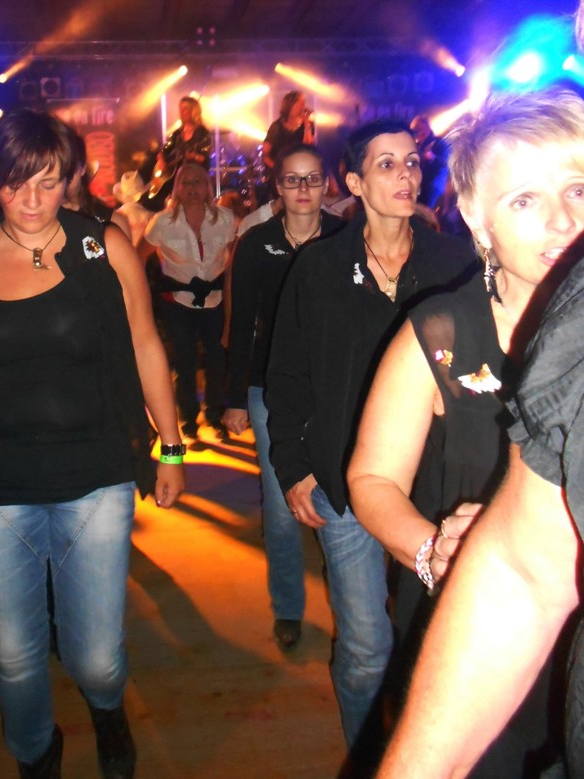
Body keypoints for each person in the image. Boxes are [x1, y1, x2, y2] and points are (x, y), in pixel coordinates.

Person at [0, 109, 185, 779]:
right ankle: (36, 753)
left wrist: (172, 446)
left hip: (94, 477)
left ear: (68, 179)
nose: (32, 201)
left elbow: (146, 344)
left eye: (47, 182)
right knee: (14, 654)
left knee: (95, 654)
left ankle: (106, 707)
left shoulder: (104, 248)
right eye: (16, 184)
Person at [348, 88, 584, 776]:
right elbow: (371, 478)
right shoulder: (441, 331)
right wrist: (432, 552)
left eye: (577, 189)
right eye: (524, 200)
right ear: (477, 220)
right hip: (478, 636)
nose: (563, 220)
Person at [264, 119, 475, 756]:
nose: (406, 175)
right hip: (346, 478)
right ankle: (368, 755)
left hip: (437, 483)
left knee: (436, 635)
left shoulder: (453, 263)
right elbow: (287, 375)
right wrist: (293, 465)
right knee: (364, 647)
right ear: (353, 183)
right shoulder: (319, 267)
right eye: (386, 164)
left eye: (411, 162)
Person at [223, 145, 344, 650]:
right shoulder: (257, 243)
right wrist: (233, 397)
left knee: (344, 500)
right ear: (278, 186)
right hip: (269, 387)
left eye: (312, 179)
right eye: (292, 180)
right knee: (280, 505)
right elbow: (241, 325)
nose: (303, 189)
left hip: (334, 388)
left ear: (327, 184)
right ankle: (288, 607)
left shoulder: (346, 238)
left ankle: (352, 606)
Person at [139, 162, 236, 442]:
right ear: (177, 188)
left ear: (207, 187)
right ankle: (188, 418)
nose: (192, 187)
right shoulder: (162, 222)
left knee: (217, 357)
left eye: (198, 181)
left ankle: (214, 414)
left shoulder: (225, 219)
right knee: (185, 360)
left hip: (215, 300)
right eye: (186, 182)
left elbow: (234, 259)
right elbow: (138, 255)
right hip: (176, 301)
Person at [139, 96, 212, 213]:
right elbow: (163, 150)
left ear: (194, 111)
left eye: (185, 109)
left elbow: (204, 158)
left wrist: (193, 156)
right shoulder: (177, 134)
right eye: (180, 109)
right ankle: (138, 183)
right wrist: (161, 160)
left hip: (191, 176)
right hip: (172, 176)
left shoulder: (203, 134)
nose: (181, 112)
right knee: (151, 158)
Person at [62, 126, 132, 240]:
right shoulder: (39, 221)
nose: (63, 180)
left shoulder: (112, 222)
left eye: (69, 171)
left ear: (83, 168)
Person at [262, 91, 315, 181]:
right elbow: (265, 155)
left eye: (304, 103)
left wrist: (306, 122)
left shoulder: (308, 125)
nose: (303, 106)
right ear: (291, 105)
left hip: (300, 173)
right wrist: (278, 169)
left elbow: (307, 147)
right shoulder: (277, 126)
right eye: (300, 102)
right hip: (280, 175)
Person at [409, 114, 449, 210]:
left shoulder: (440, 143)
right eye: (415, 131)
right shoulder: (418, 145)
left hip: (433, 185)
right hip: (420, 185)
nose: (417, 133)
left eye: (418, 130)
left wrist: (432, 158)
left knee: (424, 210)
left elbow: (446, 163)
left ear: (426, 127)